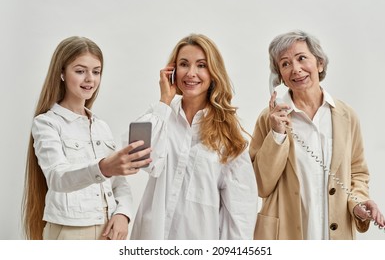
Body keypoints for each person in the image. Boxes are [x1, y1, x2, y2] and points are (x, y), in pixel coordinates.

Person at [249, 30, 385, 240]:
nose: (296, 69)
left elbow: (357, 172)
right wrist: (277, 133)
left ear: (319, 64)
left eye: (301, 58)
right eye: (285, 64)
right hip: (285, 235)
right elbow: (260, 185)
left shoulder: (346, 116)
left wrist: (358, 203)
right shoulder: (269, 119)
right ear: (279, 77)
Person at [22, 36, 152, 240]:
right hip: (70, 231)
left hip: (108, 231)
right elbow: (58, 178)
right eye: (80, 71)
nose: (90, 78)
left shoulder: (101, 126)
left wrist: (123, 214)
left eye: (96, 71)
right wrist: (103, 167)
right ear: (62, 73)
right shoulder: (47, 123)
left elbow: (119, 184)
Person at [130, 34, 258, 240]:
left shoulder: (228, 135)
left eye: (201, 65)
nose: (191, 73)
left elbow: (241, 212)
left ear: (213, 72)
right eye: (183, 64)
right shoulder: (160, 115)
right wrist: (164, 100)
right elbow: (136, 156)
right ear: (172, 71)